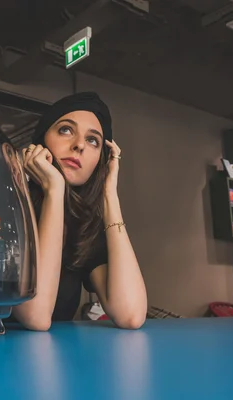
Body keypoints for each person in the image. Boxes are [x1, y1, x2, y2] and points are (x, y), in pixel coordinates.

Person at [11, 92, 147, 331]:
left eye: (93, 140)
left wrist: (109, 196)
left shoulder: (82, 225)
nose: (79, 145)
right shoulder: (9, 204)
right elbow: (36, 315)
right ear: (41, 142)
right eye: (65, 130)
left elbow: (131, 314)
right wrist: (54, 190)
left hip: (47, 363)